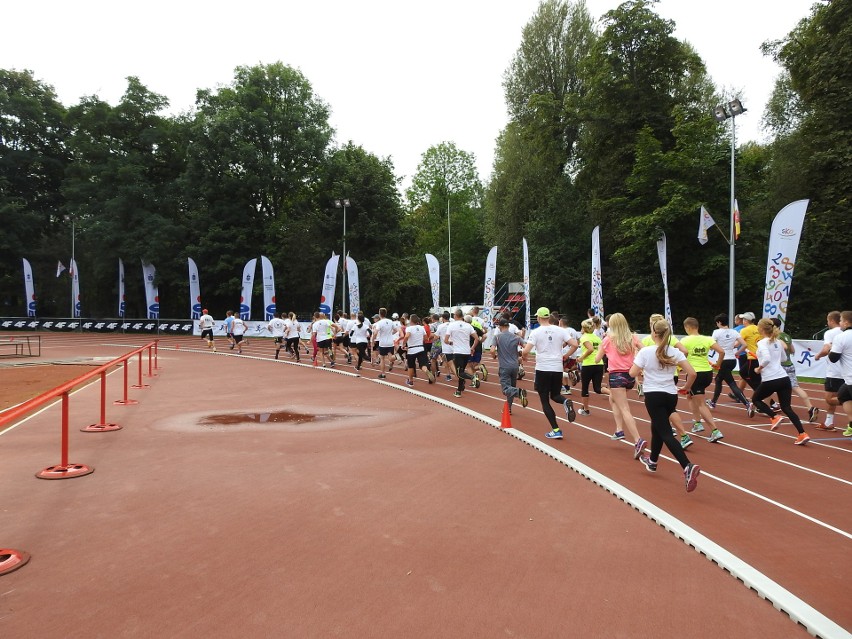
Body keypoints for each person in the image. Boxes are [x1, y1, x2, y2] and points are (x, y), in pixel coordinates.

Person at [630, 319, 701, 493]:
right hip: (671, 395)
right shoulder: (675, 352)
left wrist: (641, 368)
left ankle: (687, 466)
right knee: (657, 427)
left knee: (666, 433)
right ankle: (653, 461)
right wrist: (686, 387)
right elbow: (692, 373)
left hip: (654, 395)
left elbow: (632, 373)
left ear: (654, 333)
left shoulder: (646, 351)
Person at [747, 318, 811, 445]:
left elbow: (766, 359)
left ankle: (774, 417)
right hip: (783, 378)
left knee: (755, 400)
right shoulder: (778, 341)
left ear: (761, 329)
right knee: (787, 407)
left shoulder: (762, 343)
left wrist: (759, 368)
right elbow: (783, 358)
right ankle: (802, 434)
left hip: (770, 379)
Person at [521, 307, 576, 440]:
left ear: (539, 318)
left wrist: (524, 356)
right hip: (557, 368)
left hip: (543, 369)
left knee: (545, 401)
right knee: (556, 395)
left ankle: (556, 429)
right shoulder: (560, 330)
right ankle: (565, 400)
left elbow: (526, 350)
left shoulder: (536, 332)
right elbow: (574, 344)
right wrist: (565, 356)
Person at [595, 312, 645, 458]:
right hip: (630, 376)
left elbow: (598, 359)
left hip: (616, 376)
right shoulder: (632, 337)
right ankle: (619, 430)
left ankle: (638, 440)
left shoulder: (607, 339)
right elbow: (644, 349)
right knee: (613, 398)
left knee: (625, 409)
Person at [639, 314, 692, 448]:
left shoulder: (646, 340)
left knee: (661, 410)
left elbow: (638, 359)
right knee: (668, 408)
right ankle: (655, 455)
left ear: (652, 325)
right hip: (670, 376)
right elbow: (684, 351)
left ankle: (680, 434)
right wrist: (678, 365)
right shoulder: (671, 337)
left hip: (653, 382)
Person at [681, 317, 725, 443]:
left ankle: (715, 430)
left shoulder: (685, 340)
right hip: (707, 373)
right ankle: (697, 423)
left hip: (695, 374)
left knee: (701, 403)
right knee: (690, 396)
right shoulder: (708, 339)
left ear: (687, 327)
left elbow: (681, 355)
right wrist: (718, 364)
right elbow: (721, 352)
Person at [772, 317, 820, 425]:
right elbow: (792, 350)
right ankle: (810, 407)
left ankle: (762, 406)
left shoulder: (775, 337)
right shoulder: (786, 336)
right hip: (789, 365)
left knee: (768, 385)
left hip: (779, 366)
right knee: (796, 387)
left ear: (773, 326)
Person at [708, 313, 750, 409]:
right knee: (718, 379)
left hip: (724, 360)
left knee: (732, 383)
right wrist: (738, 352)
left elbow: (711, 345)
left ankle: (747, 403)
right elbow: (744, 344)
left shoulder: (716, 332)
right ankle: (713, 402)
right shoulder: (734, 332)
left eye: (717, 323)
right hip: (732, 360)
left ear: (719, 322)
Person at [815, 311, 847, 431]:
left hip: (835, 371)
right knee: (835, 397)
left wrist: (818, 356)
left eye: (827, 321)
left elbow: (826, 349)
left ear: (832, 321)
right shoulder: (846, 333)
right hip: (846, 371)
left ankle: (830, 421)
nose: (827, 323)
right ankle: (829, 422)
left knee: (830, 398)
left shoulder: (830, 333)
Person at [490, 318, 527, 413]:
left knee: (506, 389)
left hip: (504, 366)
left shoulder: (497, 337)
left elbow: (492, 350)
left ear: (500, 327)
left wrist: (494, 356)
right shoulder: (516, 337)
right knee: (511, 387)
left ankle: (519, 392)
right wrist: (522, 355)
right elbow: (526, 346)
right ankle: (508, 408)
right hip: (515, 367)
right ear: (508, 326)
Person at [444, 308, 481, 397]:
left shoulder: (451, 326)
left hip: (457, 352)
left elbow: (445, 340)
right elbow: (477, 338)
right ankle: (459, 390)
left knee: (459, 373)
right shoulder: (468, 326)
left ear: (455, 316)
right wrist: (472, 348)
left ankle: (473, 377)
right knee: (461, 372)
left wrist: (450, 342)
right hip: (467, 352)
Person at [828, 310, 852, 437]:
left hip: (850, 377)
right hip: (848, 380)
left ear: (847, 322)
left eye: (841, 320)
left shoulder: (841, 337)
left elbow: (833, 358)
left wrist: (831, 349)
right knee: (843, 396)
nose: (840, 323)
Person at [576, 319, 603, 416]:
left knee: (585, 388)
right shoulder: (597, 338)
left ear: (584, 328)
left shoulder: (584, 337)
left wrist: (581, 358)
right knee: (597, 388)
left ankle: (586, 410)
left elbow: (590, 349)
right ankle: (612, 393)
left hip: (588, 365)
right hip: (599, 364)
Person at [402, 314, 435, 386]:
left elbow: (407, 336)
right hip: (421, 348)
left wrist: (403, 344)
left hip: (412, 349)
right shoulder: (421, 328)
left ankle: (410, 381)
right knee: (422, 365)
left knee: (410, 366)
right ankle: (426, 371)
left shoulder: (409, 328)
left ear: (411, 320)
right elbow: (426, 338)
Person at [373, 308, 396, 379]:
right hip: (390, 342)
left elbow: (376, 332)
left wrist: (373, 339)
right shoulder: (390, 321)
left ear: (380, 314)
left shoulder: (379, 323)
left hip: (382, 343)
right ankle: (398, 357)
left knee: (382, 358)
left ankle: (383, 374)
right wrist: (390, 334)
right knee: (390, 357)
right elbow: (396, 330)